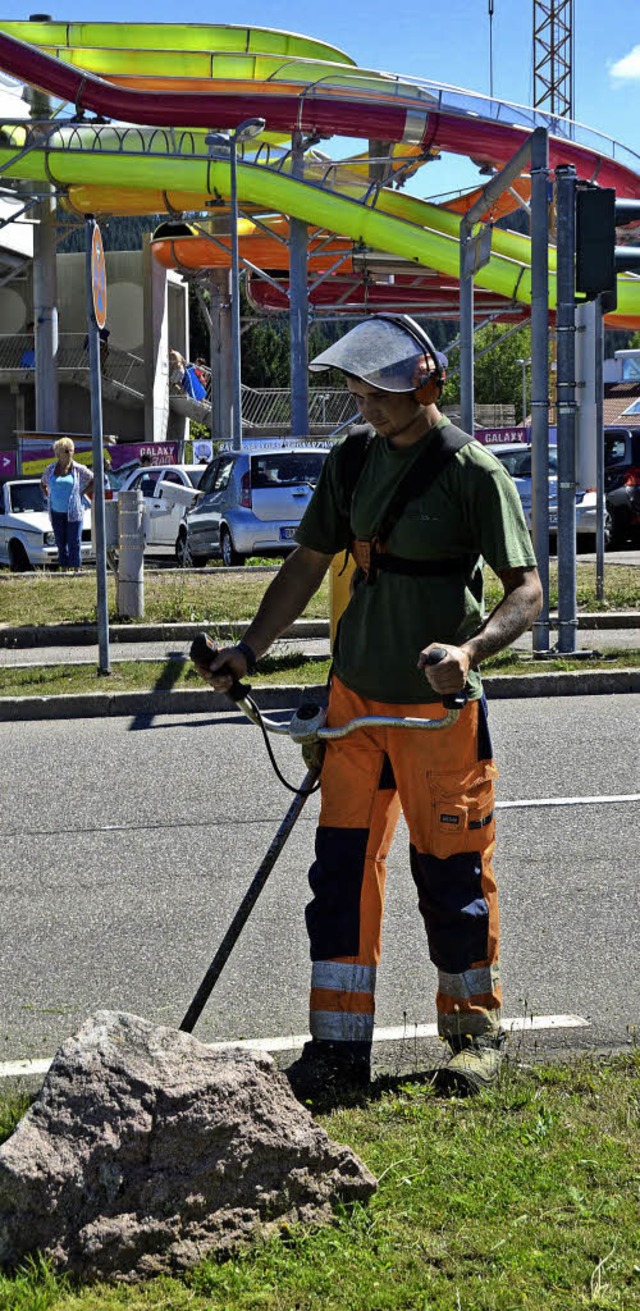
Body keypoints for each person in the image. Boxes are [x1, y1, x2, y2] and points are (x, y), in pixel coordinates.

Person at [194, 314, 543, 1100]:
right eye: (357, 393)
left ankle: (474, 1037)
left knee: (452, 876)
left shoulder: (472, 472)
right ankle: (339, 1050)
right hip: (354, 712)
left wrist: (469, 653)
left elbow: (528, 589)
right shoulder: (349, 462)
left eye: (380, 394)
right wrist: (248, 651)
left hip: (436, 719)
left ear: (426, 385)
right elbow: (307, 563)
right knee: (342, 879)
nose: (365, 408)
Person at [40, 437, 94, 571]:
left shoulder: (78, 469)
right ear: (58, 453)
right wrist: (48, 495)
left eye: (71, 450)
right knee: (60, 541)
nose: (69, 453)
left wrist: (82, 492)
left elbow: (94, 479)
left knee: (74, 541)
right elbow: (43, 483)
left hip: (73, 511)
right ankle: (64, 567)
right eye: (66, 450)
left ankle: (76, 568)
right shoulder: (51, 469)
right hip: (56, 511)